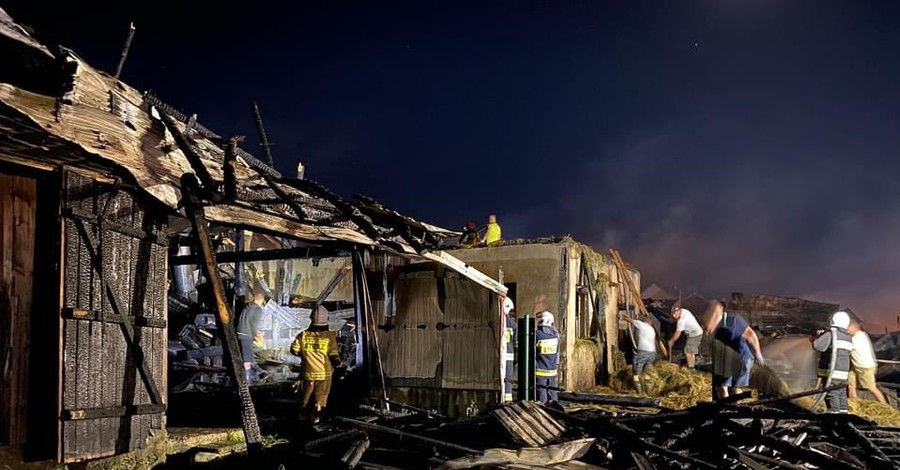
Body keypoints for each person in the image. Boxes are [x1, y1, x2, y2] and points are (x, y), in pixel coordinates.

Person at [290, 306, 343, 423]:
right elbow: (334, 357)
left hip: (307, 374)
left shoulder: (303, 335)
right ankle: (316, 420)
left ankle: (302, 419)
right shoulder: (329, 336)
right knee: (320, 398)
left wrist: (306, 355)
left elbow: (294, 350)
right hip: (324, 375)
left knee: (305, 397)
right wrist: (340, 366)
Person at [704, 299, 764, 401]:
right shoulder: (713, 328)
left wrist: (758, 354)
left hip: (742, 358)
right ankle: (726, 408)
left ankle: (738, 408)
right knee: (721, 387)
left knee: (734, 388)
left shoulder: (734, 321)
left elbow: (751, 336)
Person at [812, 311, 854, 413]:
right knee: (841, 393)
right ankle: (844, 414)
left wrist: (819, 337)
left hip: (832, 371)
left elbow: (818, 346)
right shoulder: (848, 336)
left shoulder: (832, 333)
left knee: (832, 394)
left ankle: (834, 416)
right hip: (843, 372)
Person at [847, 319, 887, 404]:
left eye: (848, 328)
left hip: (865, 367)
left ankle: (885, 405)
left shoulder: (857, 338)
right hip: (856, 366)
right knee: (851, 385)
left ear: (854, 327)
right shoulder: (861, 335)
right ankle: (854, 404)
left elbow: (848, 350)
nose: (847, 330)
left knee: (871, 387)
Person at [621, 314, 659, 394]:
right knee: (646, 373)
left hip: (643, 352)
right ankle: (648, 392)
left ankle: (639, 392)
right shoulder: (652, 330)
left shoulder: (642, 325)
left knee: (636, 373)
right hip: (652, 353)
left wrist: (623, 317)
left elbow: (630, 320)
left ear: (646, 322)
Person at [237, 288, 266, 384]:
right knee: (247, 359)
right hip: (247, 335)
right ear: (261, 300)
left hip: (240, 333)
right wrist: (257, 334)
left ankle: (252, 375)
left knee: (246, 356)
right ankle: (247, 381)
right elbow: (254, 324)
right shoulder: (258, 309)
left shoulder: (247, 307)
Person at [535, 310, 559, 403]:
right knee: (553, 392)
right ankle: (555, 411)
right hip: (552, 371)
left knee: (542, 394)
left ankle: (543, 411)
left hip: (540, 372)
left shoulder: (537, 335)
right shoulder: (555, 335)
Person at [502, 297, 517, 402]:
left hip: (497, 356)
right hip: (509, 358)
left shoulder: (496, 321)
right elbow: (516, 343)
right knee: (508, 380)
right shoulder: (512, 324)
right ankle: (507, 401)